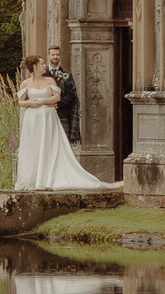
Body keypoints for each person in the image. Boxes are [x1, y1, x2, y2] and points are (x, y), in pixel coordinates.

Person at [14, 54, 113, 192]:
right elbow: (20, 101)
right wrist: (30, 102)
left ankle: (47, 178)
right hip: (32, 118)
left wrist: (42, 101)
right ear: (35, 66)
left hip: (47, 116)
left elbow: (57, 97)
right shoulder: (26, 83)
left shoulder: (50, 80)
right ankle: (34, 178)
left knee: (48, 144)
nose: (44, 66)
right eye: (42, 64)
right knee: (34, 145)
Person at [45, 44, 81, 144]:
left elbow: (71, 95)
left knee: (62, 144)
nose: (55, 57)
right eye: (53, 54)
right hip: (45, 113)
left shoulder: (66, 74)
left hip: (62, 114)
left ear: (60, 56)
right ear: (48, 56)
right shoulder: (42, 74)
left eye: (57, 55)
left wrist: (57, 104)